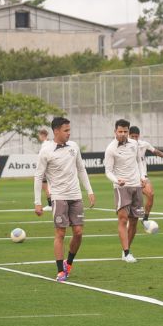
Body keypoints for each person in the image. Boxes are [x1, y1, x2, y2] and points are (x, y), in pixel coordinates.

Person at [34, 117, 95, 282]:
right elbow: (38, 176)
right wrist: (37, 202)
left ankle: (69, 262)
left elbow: (81, 169)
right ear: (56, 131)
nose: (69, 133)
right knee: (60, 233)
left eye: (69, 130)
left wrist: (89, 190)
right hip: (59, 197)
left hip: (76, 196)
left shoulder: (73, 147)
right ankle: (60, 270)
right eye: (66, 130)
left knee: (79, 232)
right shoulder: (46, 151)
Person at [104, 119, 146, 263]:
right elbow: (108, 171)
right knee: (123, 219)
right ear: (115, 131)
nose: (123, 134)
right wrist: (117, 180)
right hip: (121, 188)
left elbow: (139, 162)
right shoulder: (111, 149)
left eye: (125, 131)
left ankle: (125, 251)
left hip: (137, 186)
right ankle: (127, 253)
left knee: (134, 221)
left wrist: (143, 177)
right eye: (120, 131)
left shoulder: (134, 144)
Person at [129, 126, 163, 228]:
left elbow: (156, 152)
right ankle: (128, 220)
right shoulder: (125, 146)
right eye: (132, 136)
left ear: (139, 136)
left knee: (151, 194)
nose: (134, 138)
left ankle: (145, 219)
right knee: (131, 200)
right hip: (130, 177)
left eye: (136, 136)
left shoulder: (143, 144)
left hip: (143, 177)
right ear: (129, 136)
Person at [38, 129, 54, 212]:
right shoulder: (50, 143)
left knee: (45, 186)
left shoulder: (44, 144)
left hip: (46, 167)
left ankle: (50, 204)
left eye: (39, 135)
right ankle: (52, 203)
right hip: (51, 167)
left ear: (42, 135)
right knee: (50, 186)